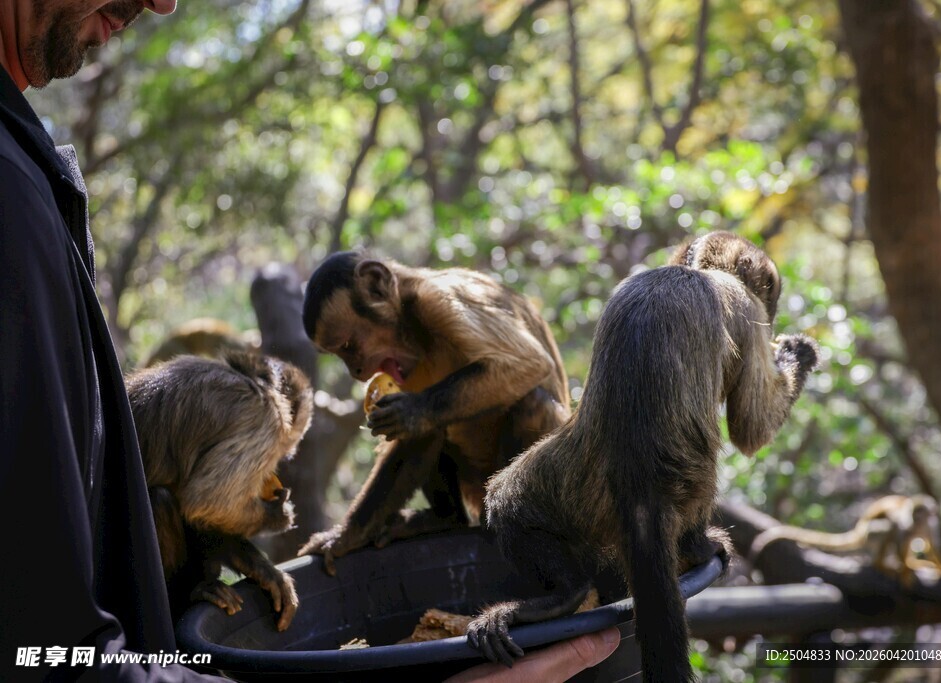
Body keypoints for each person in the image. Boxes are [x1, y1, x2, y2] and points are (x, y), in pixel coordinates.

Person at [0, 1, 619, 680]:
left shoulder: (439, 305)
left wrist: (423, 409)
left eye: (355, 347)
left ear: (382, 290)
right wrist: (350, 535)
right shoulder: (12, 188)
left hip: (535, 465)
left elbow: (522, 370)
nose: (164, 5)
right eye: (345, 358)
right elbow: (50, 648)